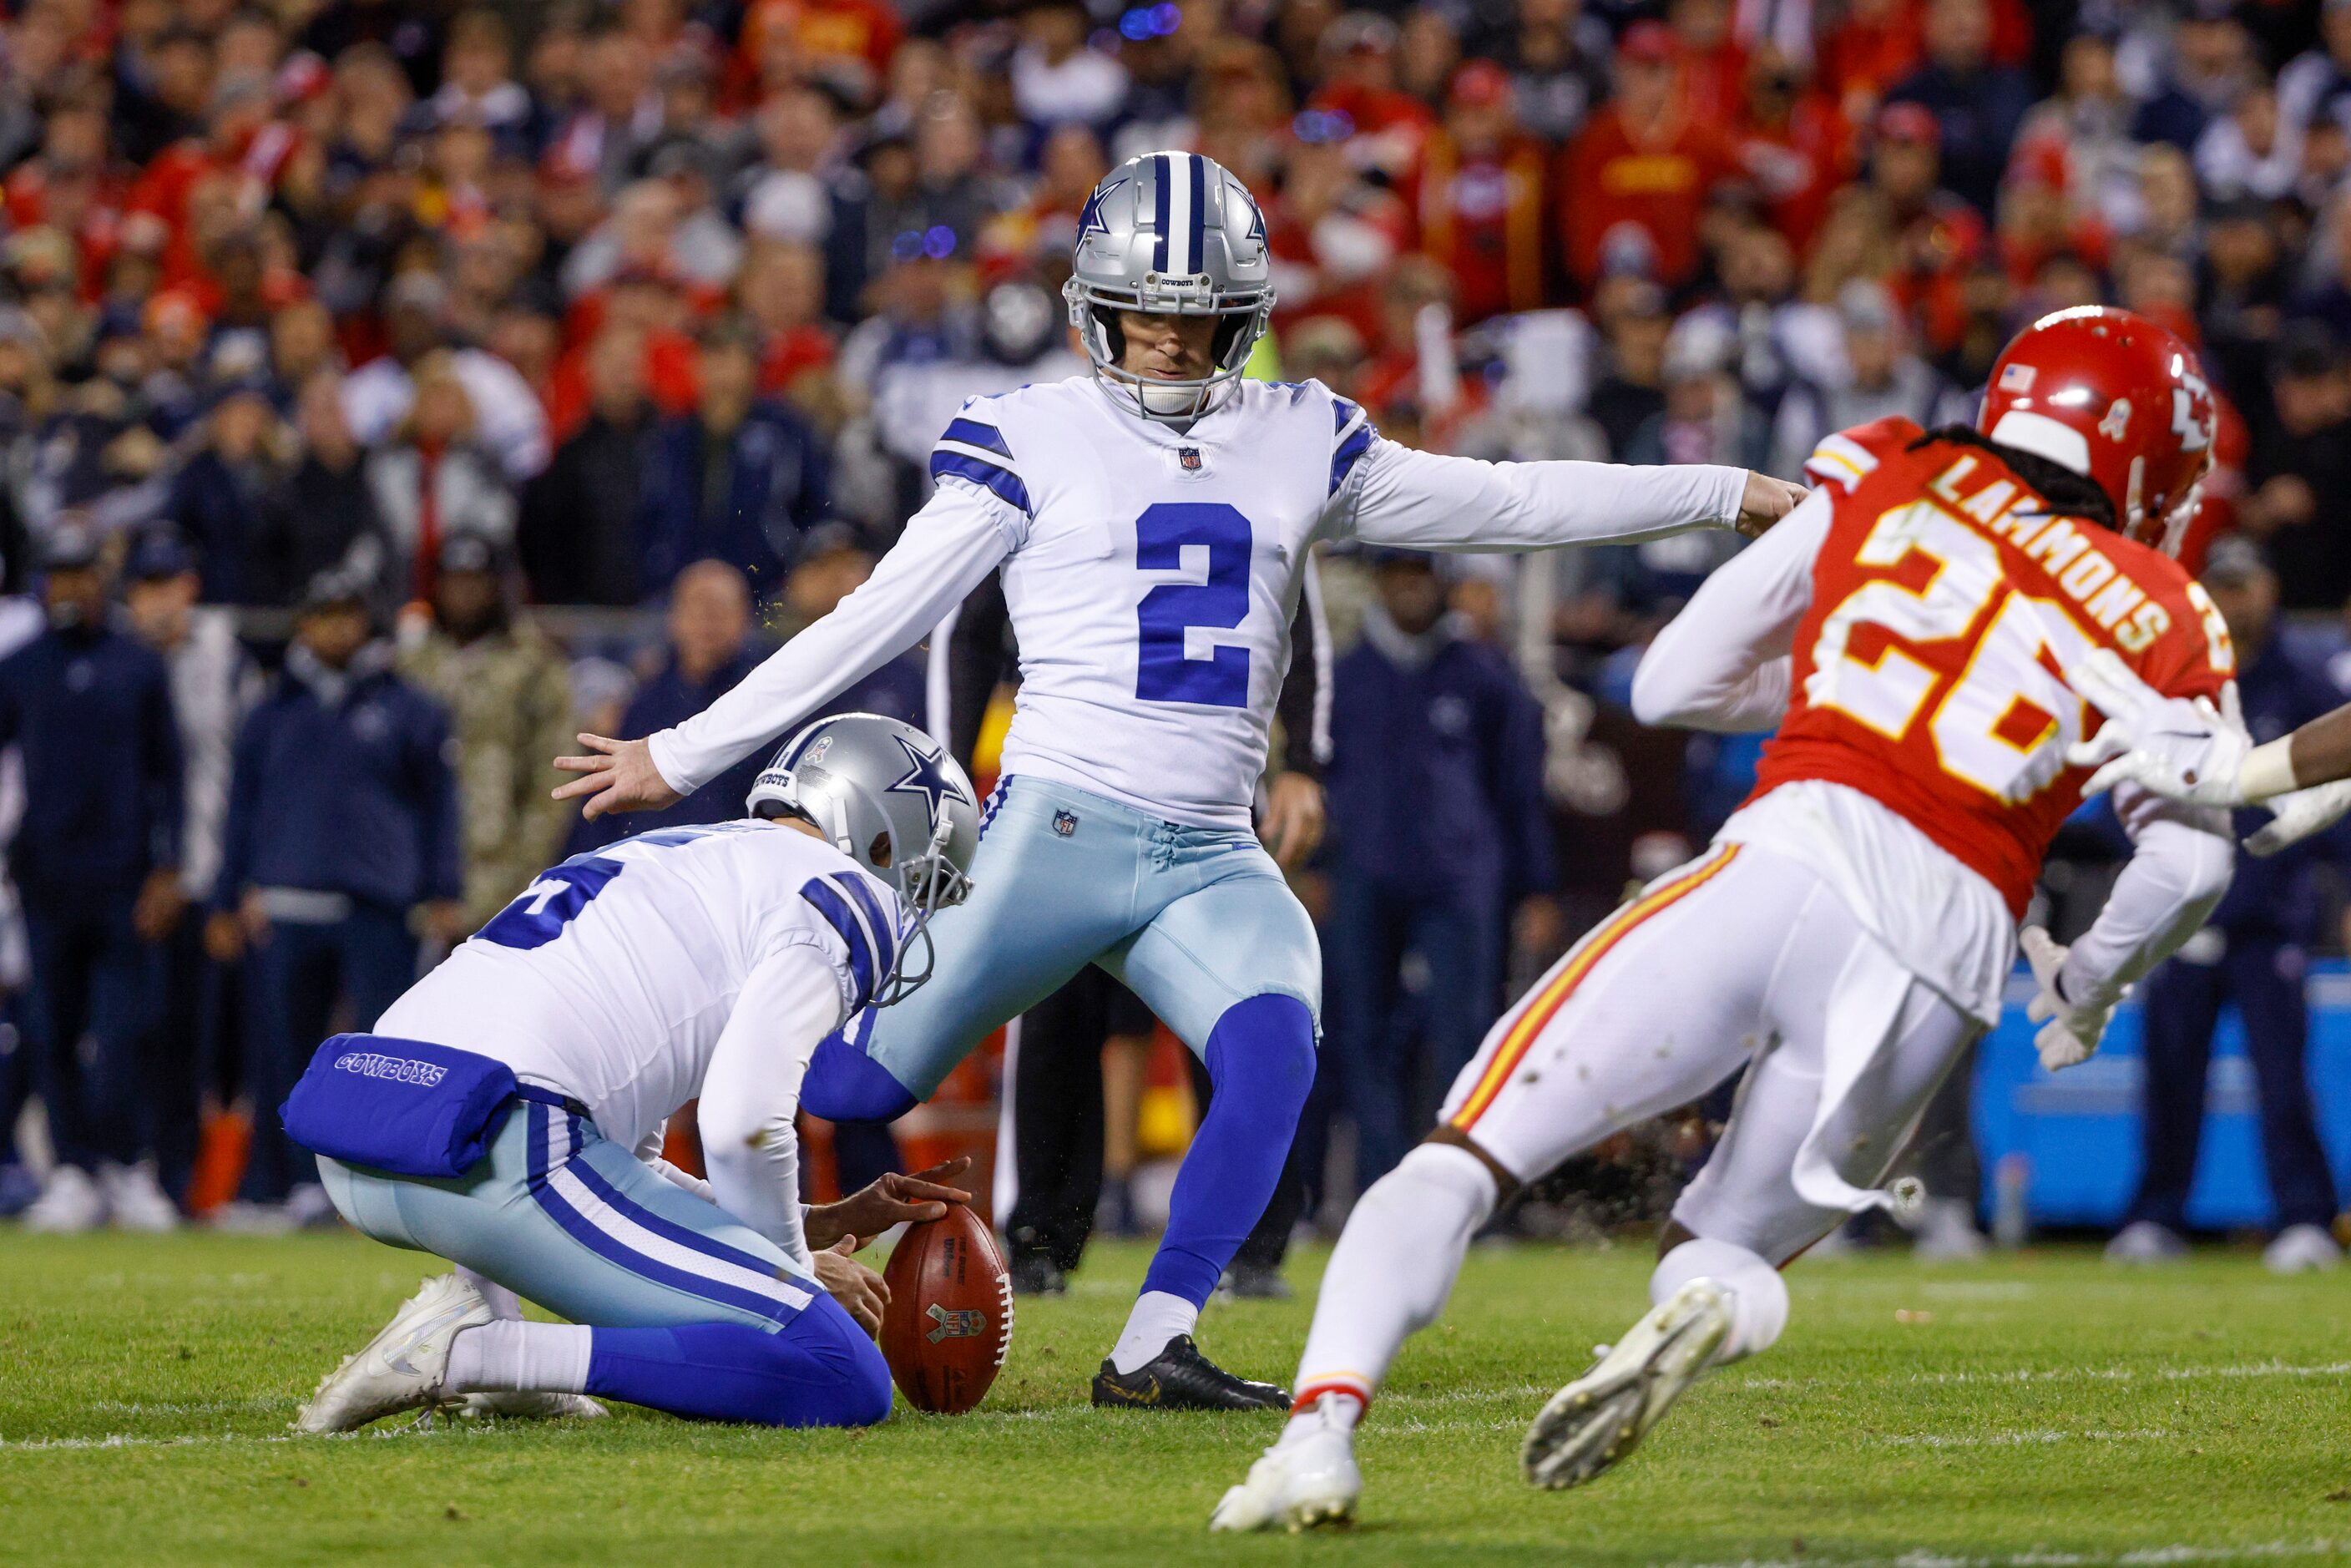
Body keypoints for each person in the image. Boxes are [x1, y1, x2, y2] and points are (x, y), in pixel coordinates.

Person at [553, 150, 1804, 1409]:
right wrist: (683, 750)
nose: (1164, 337)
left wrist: (1725, 490)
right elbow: (876, 619)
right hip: (1052, 832)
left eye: (1194, 311)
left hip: (1211, 849)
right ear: (1092, 303)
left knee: (1274, 1048)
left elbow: (1510, 497)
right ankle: (600, 1161)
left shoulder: (1300, 432)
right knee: (841, 1083)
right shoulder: (1027, 434)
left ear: (1240, 315)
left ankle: (1156, 1340)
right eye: (1144, 308)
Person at [1211, 306, 2238, 1530]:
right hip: (1946, 951)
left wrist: (1828, 697)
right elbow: (2189, 866)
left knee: (1463, 1154)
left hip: (1797, 848)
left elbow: (1670, 680)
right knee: (1725, 1248)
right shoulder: (2162, 608)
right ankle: (1706, 1301)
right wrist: (2089, 984)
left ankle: (1320, 1432)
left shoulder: (1890, 465)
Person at [290, 714, 978, 1434]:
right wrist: (792, 1281)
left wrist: (808, 1226)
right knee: (838, 1369)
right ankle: (476, 1355)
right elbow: (743, 1122)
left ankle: (494, 1351)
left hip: (366, 1130)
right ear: (878, 835)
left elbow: (625, 1171)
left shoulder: (675, 854)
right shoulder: (842, 890)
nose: (917, 904)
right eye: (926, 879)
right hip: (496, 1150)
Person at [2101, 539, 2343, 1274]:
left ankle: (2304, 1218)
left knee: (2282, 1078)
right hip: (2184, 918)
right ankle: (2154, 1215)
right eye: (2223, 587)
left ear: (2269, 589)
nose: (2235, 602)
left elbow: (2341, 792)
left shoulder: (2302, 683)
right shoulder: (2174, 682)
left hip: (2271, 916)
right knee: (2170, 1077)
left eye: (2245, 586)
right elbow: (2125, 787)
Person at [210, 573, 464, 1229]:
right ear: (304, 625)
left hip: (376, 904)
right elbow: (241, 809)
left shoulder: (409, 706)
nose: (338, 629)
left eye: (349, 616)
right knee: (284, 1055)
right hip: (286, 901)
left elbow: (441, 807)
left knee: (383, 1054)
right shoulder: (272, 710)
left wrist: (444, 890)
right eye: (325, 616)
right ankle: (293, 1184)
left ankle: (376, 1185)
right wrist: (226, 896)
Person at [1314, 549, 1555, 1199]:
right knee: (1363, 1036)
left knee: (1467, 1035)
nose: (1411, 591)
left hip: (1462, 876)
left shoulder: (1485, 676)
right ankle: (1380, 1191)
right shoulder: (1347, 676)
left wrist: (1534, 885)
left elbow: (1519, 786)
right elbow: (1318, 778)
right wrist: (1314, 866)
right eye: (1398, 577)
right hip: (1365, 871)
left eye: (1421, 577)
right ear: (1380, 584)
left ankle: (1462, 1195)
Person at [1, 529, 185, 1233]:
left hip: (125, 881)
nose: (73, 587)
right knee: (48, 1030)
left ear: (102, 582)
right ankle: (74, 1167)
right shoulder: (20, 667)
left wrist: (169, 869)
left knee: (126, 1032)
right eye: (61, 574)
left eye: (84, 573)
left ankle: (125, 1162)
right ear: (46, 582)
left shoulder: (136, 666)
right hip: (44, 881)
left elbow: (172, 772)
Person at [121, 531, 255, 1202]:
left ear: (190, 587)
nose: (159, 601)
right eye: (147, 586)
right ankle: (126, 1169)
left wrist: (234, 882)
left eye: (169, 584)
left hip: (207, 875)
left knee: (202, 1042)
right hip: (128, 875)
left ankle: (186, 1181)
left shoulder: (226, 659)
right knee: (132, 1031)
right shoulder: (113, 659)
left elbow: (249, 779)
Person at [397, 534, 575, 936]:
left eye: (476, 581)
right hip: (409, 884)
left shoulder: (536, 666)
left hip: (502, 878)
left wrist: (523, 878)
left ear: (499, 586)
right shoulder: (407, 666)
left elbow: (554, 780)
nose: (465, 594)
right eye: (455, 581)